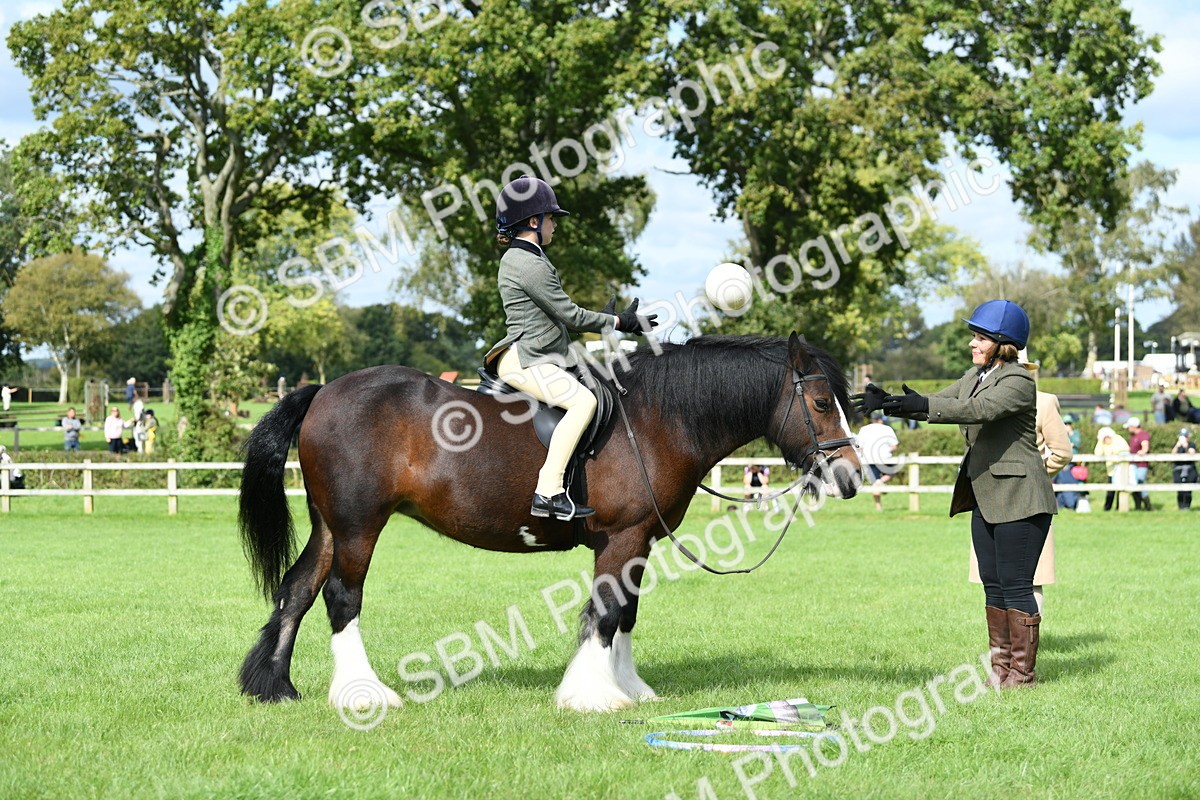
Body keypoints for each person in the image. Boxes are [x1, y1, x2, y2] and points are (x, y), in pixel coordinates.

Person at [853, 299, 1056, 688]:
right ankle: (1001, 672)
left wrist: (919, 404)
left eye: (979, 337)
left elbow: (975, 410)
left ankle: (1022, 677)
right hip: (986, 496)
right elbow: (945, 401)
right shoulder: (976, 374)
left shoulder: (1018, 381)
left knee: (1015, 584)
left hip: (1022, 497)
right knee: (992, 582)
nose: (972, 344)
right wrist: (891, 405)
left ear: (1001, 342)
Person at [483, 176, 659, 520]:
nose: (554, 226)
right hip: (526, 359)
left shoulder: (524, 258)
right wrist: (621, 323)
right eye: (551, 219)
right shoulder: (529, 263)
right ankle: (548, 491)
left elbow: (554, 320)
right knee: (583, 402)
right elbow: (569, 314)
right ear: (534, 222)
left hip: (535, 354)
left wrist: (604, 320)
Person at [856, 411, 899, 511]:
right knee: (893, 471)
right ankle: (882, 481)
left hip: (868, 459)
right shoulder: (887, 429)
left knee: (874, 483)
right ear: (880, 420)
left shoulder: (864, 429)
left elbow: (859, 447)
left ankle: (878, 507)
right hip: (884, 457)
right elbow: (894, 446)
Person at [1094, 426, 1129, 511]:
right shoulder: (1102, 443)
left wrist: (1115, 453)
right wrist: (1100, 442)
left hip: (1121, 469)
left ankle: (1119, 508)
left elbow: (1125, 450)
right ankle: (1107, 508)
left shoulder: (1118, 439)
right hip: (1111, 470)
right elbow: (1097, 453)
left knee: (1120, 490)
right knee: (1110, 490)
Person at [1124, 417, 1152, 511]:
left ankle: (1148, 505)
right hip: (1133, 463)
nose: (1128, 429)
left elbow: (1145, 446)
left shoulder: (1143, 434)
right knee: (1133, 484)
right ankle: (1138, 505)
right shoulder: (1133, 436)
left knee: (1139, 482)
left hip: (1141, 464)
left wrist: (1143, 451)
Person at [1172, 427, 1196, 510]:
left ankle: (1187, 506)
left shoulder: (1191, 444)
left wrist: (1186, 446)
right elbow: (1173, 454)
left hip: (1189, 470)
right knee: (1180, 489)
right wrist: (1177, 446)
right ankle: (1181, 506)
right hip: (1178, 470)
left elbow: (1192, 453)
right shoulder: (1176, 445)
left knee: (1188, 489)